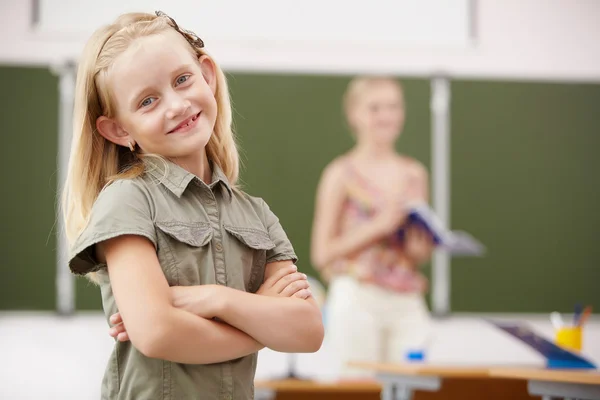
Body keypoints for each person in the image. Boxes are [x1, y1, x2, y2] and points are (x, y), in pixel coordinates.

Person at [63, 11, 324, 399]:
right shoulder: (127, 200)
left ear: (207, 74)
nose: (176, 105)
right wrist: (260, 322)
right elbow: (157, 333)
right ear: (119, 130)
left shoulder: (256, 214)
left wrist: (217, 299)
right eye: (148, 101)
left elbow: (307, 331)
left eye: (182, 80)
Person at [310, 76, 434, 378]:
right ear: (354, 114)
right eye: (375, 108)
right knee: (358, 387)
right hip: (357, 298)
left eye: (393, 106)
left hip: (407, 300)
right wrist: (378, 226)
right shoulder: (341, 173)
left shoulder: (414, 173)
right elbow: (321, 253)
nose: (386, 116)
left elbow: (419, 253)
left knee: (413, 386)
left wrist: (419, 251)